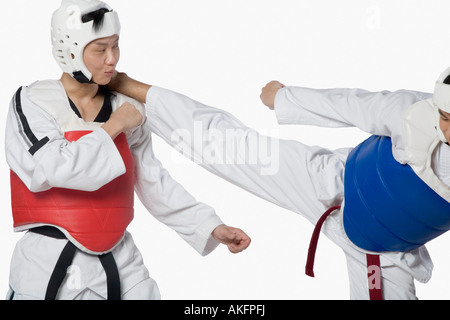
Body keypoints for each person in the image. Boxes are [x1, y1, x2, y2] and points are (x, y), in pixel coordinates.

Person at [107, 69, 450, 300]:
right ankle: (128, 85)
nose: (446, 129)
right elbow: (354, 104)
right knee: (230, 146)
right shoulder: (413, 110)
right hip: (331, 182)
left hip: (385, 252)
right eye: (445, 118)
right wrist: (286, 98)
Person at [5, 0, 250, 300]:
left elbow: (152, 182)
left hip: (120, 261)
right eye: (100, 49)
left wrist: (209, 227)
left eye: (115, 46)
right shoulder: (32, 103)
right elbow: (51, 167)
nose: (112, 59)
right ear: (69, 50)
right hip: (45, 264)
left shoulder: (126, 108)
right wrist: (113, 127)